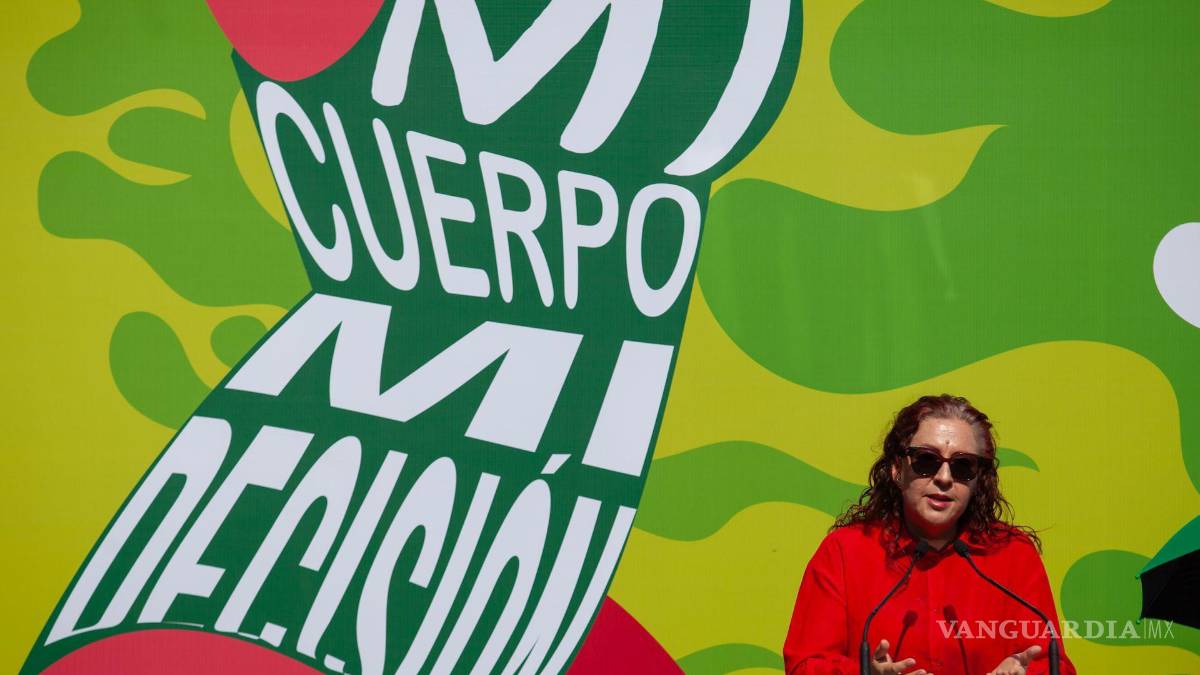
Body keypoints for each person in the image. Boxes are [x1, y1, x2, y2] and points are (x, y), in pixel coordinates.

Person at [782, 394, 1076, 675]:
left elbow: (1055, 665)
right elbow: (804, 666)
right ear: (897, 469)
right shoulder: (845, 551)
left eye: (962, 465)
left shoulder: (1013, 554)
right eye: (926, 460)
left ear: (978, 480)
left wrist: (1029, 672)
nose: (944, 478)